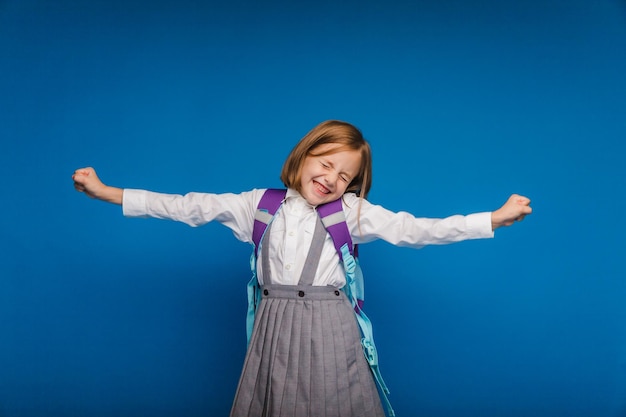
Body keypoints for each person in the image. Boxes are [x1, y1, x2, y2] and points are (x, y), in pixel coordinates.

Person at [72, 120, 532, 417]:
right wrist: (108, 192)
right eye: (326, 163)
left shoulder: (351, 213)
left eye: (345, 176)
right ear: (303, 155)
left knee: (335, 402)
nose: (332, 178)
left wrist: (491, 219)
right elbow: (186, 206)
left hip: (330, 325)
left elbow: (417, 230)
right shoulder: (257, 205)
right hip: (273, 324)